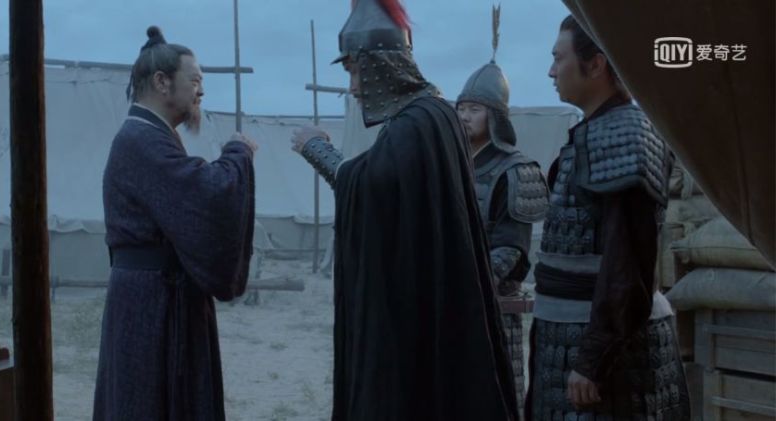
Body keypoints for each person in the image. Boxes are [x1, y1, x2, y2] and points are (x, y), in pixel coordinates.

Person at [290, 0, 518, 419]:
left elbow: (368, 184)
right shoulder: (428, 116)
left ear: (382, 65)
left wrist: (314, 147)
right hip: (422, 297)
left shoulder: (420, 121)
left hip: (420, 311)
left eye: (355, 71)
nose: (353, 87)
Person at [525, 15, 689, 420]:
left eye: (558, 58)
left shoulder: (625, 136)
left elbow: (627, 259)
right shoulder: (592, 131)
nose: (550, 71)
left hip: (604, 356)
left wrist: (593, 358)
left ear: (596, 64)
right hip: (567, 340)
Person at [92, 26, 258, 421]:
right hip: (151, 302)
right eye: (195, 80)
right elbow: (203, 194)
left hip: (159, 294)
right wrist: (237, 154)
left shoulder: (150, 135)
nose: (201, 91)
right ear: (162, 82)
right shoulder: (140, 139)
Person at [455, 6, 550, 416]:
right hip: (452, 300)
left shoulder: (515, 170)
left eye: (474, 109)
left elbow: (511, 247)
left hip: (492, 302)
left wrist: (471, 284)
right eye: (461, 108)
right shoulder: (451, 165)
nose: (464, 116)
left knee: (497, 395)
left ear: (494, 116)